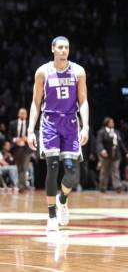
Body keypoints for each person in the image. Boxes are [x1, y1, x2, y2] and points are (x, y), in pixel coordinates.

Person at [27, 36, 89, 232]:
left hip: (71, 123)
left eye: (66, 47)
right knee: (52, 167)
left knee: (71, 172)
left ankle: (63, 199)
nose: (64, 50)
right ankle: (52, 215)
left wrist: (85, 126)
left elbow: (83, 101)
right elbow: (36, 103)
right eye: (60, 47)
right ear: (53, 49)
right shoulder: (42, 72)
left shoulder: (78, 71)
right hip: (50, 123)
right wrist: (30, 130)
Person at [96, 117, 128, 193]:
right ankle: (102, 187)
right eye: (111, 122)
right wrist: (102, 150)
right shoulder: (102, 132)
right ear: (106, 123)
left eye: (113, 122)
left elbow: (121, 143)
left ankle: (117, 186)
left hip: (116, 154)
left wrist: (127, 152)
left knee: (115, 170)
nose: (113, 123)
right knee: (104, 171)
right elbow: (99, 142)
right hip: (106, 154)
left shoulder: (116, 132)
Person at [8, 108, 33, 193]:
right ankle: (22, 185)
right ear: (18, 114)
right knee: (19, 167)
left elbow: (34, 134)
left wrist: (27, 138)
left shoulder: (30, 124)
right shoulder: (12, 123)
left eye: (24, 113)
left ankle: (22, 185)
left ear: (26, 115)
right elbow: (9, 136)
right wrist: (15, 140)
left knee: (25, 166)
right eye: (21, 113)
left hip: (26, 148)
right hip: (17, 148)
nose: (22, 115)